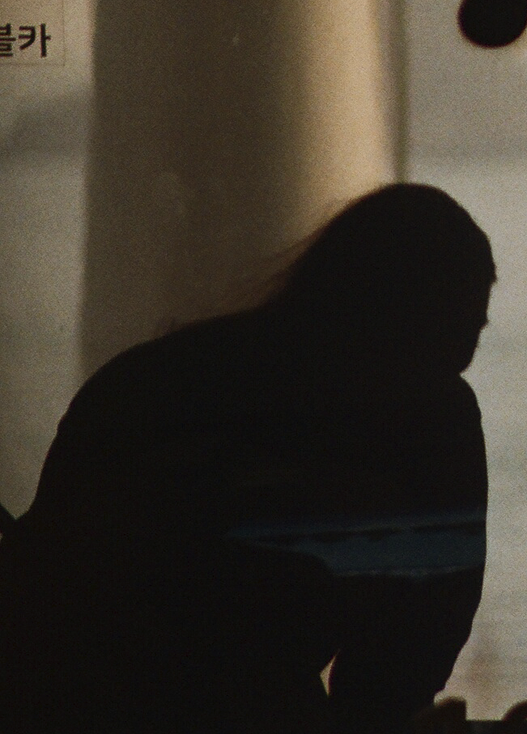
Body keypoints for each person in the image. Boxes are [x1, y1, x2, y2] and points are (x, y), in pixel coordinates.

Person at [0, 183, 496, 734]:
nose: (461, 360)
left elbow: (51, 586)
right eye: (462, 329)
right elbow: (405, 657)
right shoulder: (430, 423)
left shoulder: (153, 382)